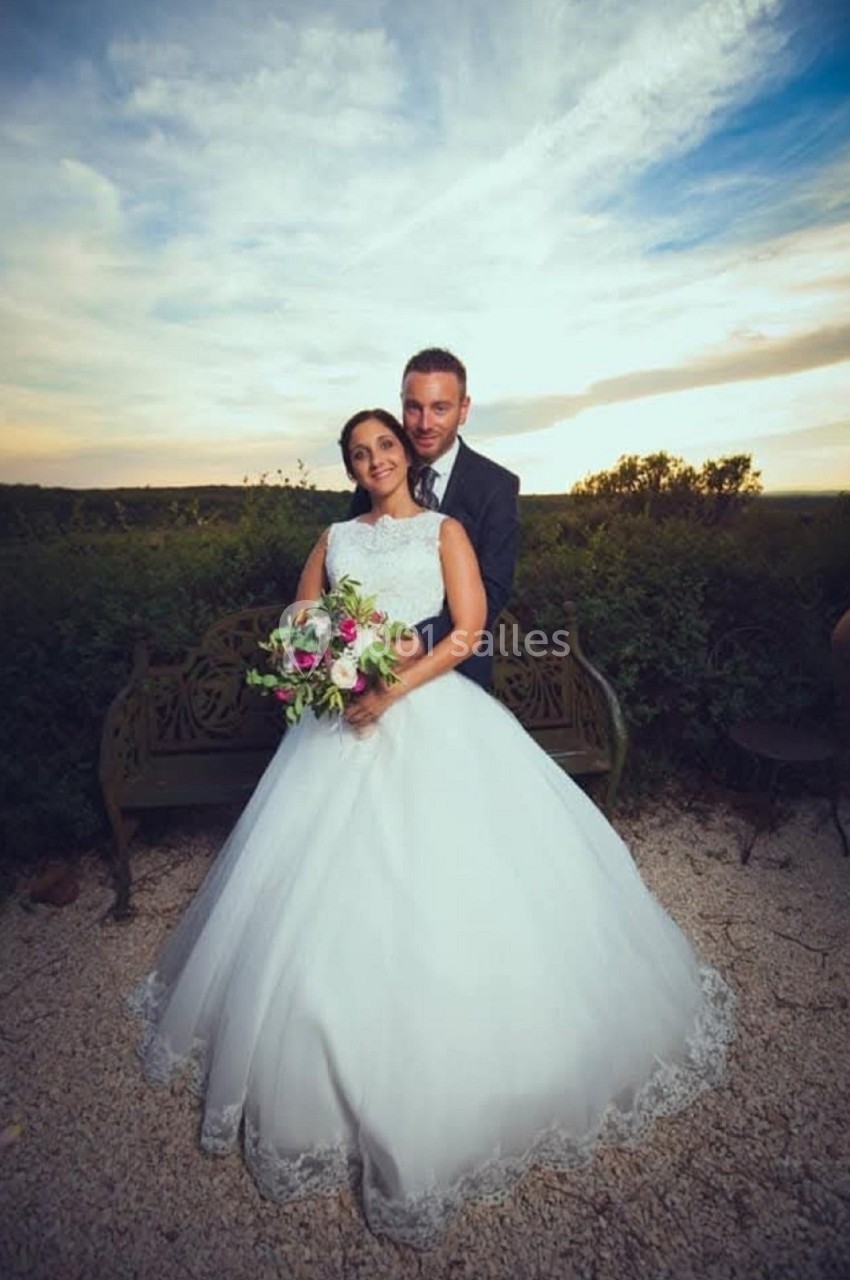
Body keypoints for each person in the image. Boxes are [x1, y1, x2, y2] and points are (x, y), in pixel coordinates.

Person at [127, 410, 736, 1250]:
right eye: (358, 452)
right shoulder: (332, 538)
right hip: (337, 726)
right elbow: (299, 622)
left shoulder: (447, 531)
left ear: (406, 454)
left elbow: (467, 630)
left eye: (385, 446)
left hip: (429, 708)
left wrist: (388, 686)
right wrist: (327, 665)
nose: (374, 459)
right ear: (347, 465)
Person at [349, 347, 520, 690]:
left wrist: (417, 641)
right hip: (370, 674)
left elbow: (493, 590)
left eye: (440, 408)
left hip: (457, 675)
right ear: (402, 407)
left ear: (464, 409)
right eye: (414, 408)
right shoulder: (379, 477)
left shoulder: (496, 487)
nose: (425, 424)